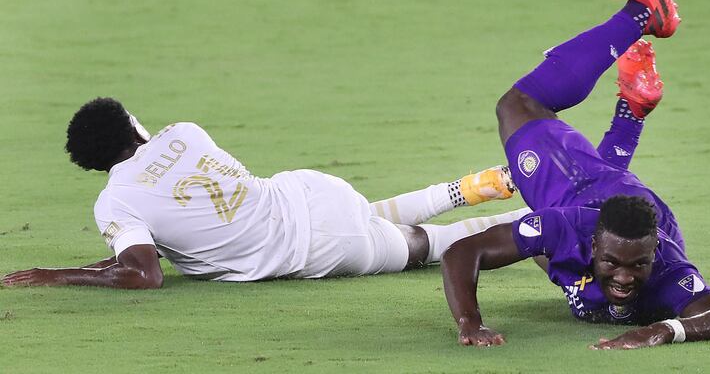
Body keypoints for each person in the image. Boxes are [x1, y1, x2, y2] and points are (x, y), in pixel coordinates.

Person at [441, 0, 710, 349]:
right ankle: (641, 14)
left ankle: (634, 103)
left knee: (543, 244)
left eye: (637, 265)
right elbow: (460, 254)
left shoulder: (668, 270)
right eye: (611, 262)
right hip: (585, 189)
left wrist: (663, 329)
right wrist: (469, 322)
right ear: (591, 242)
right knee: (517, 105)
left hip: (628, 203)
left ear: (654, 252)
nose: (624, 278)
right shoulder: (566, 226)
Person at [2, 97, 530, 288]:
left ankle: (541, 219)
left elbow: (144, 272)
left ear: (96, 165)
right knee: (368, 213)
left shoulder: (115, 201)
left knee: (429, 245)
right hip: (311, 191)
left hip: (320, 249)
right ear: (135, 126)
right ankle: (475, 186)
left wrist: (55, 274)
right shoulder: (184, 132)